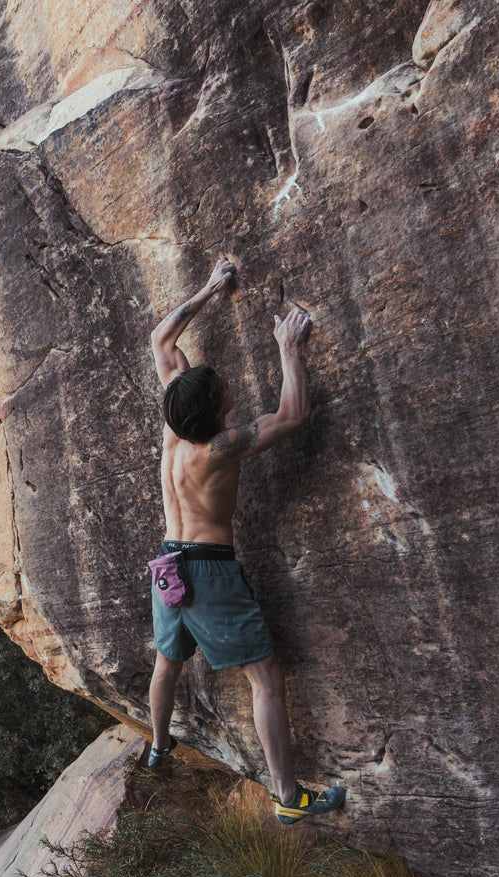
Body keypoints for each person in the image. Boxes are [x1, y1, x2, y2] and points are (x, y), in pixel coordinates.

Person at [145, 258, 345, 825]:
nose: (231, 387)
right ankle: (289, 798)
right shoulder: (223, 447)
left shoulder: (174, 425)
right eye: (227, 390)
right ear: (218, 410)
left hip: (169, 565)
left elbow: (162, 336)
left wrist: (210, 289)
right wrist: (288, 348)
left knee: (167, 662)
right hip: (208, 572)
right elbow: (293, 415)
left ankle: (160, 745)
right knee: (265, 677)